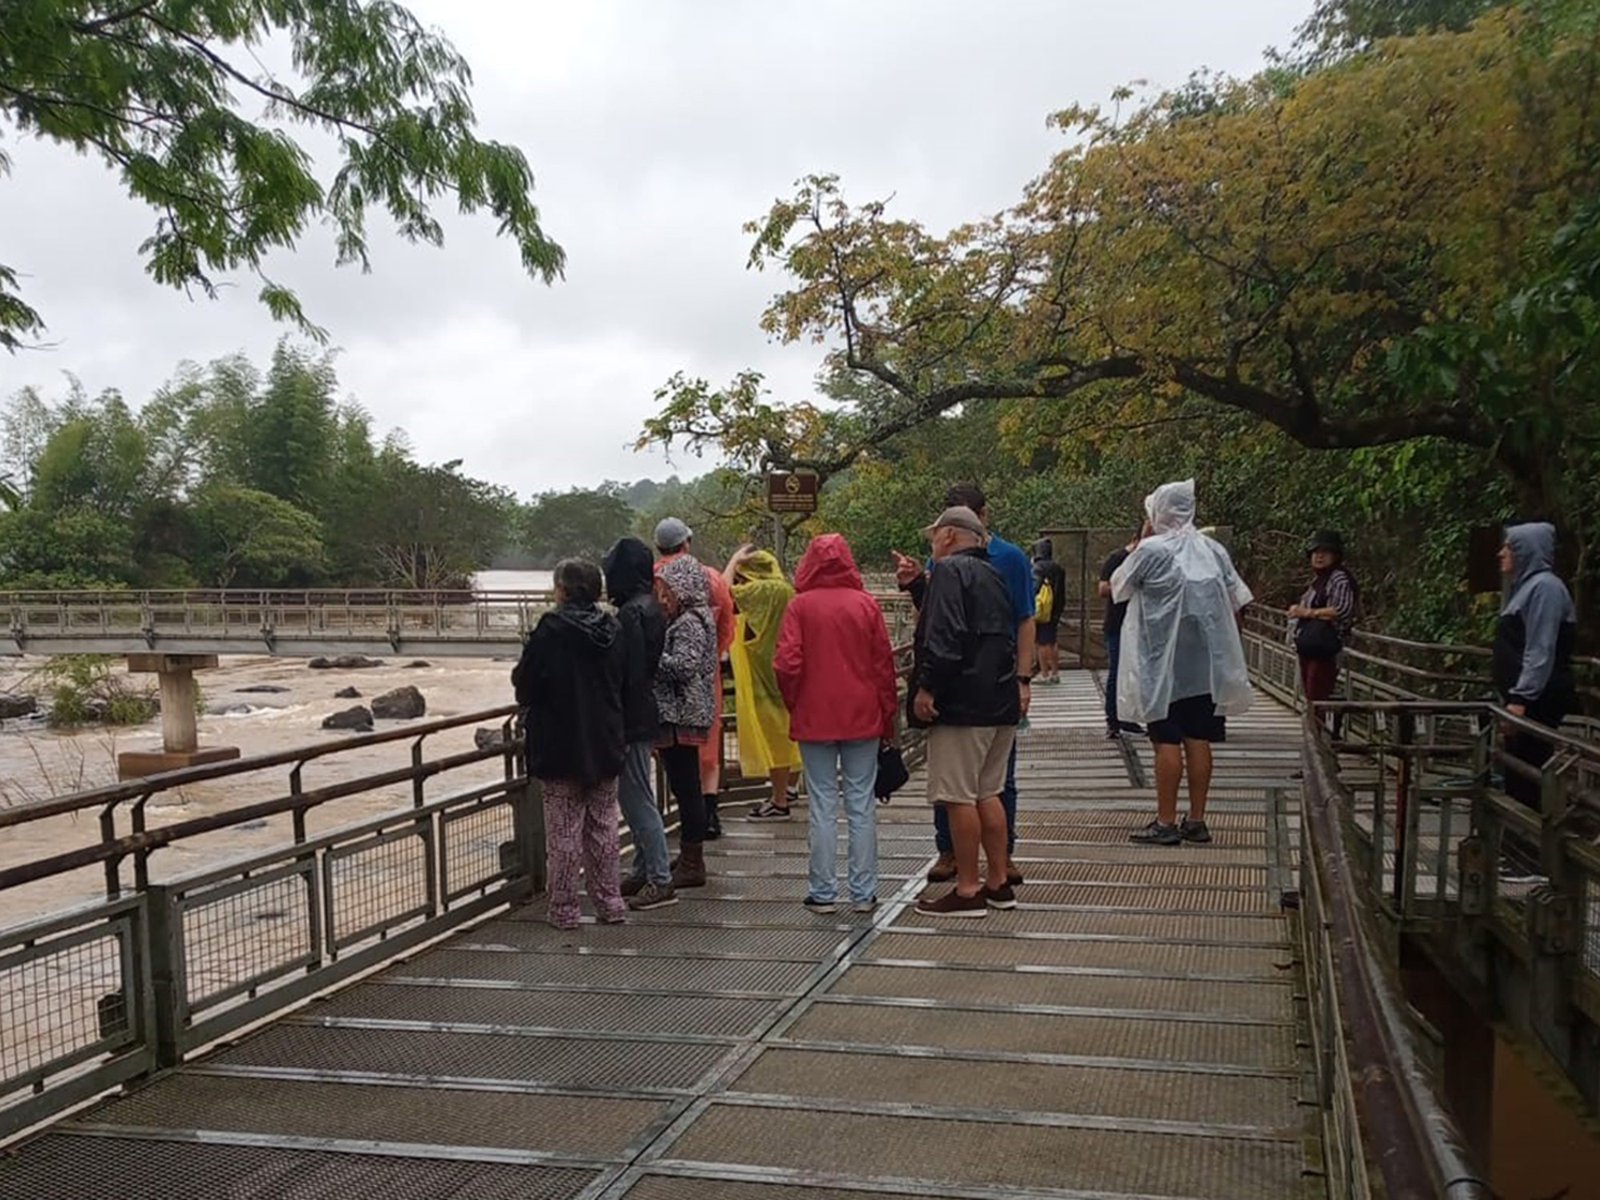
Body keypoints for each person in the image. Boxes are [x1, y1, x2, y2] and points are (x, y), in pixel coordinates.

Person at [894, 482, 1032, 887]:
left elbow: (946, 635)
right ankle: (998, 879)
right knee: (989, 792)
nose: (933, 543)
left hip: (963, 706)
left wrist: (928, 687)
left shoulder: (951, 570)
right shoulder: (994, 571)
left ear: (949, 535)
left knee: (958, 797)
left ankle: (968, 886)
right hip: (998, 700)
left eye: (935, 535)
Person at [1112, 480, 1254, 847]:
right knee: (1199, 737)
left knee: (1166, 741)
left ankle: (1165, 821)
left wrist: (1142, 541)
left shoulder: (1152, 551)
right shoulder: (1212, 549)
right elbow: (1238, 596)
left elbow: (1118, 586)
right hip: (1204, 666)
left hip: (1160, 664)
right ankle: (1197, 819)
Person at [775, 534, 900, 914]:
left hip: (815, 716)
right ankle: (864, 893)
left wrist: (797, 701)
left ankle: (823, 891)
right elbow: (883, 666)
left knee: (823, 804)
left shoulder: (799, 607)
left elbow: (786, 664)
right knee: (861, 804)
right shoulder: (866, 605)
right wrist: (888, 715)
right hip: (863, 716)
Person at [513, 558, 627, 930]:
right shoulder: (613, 628)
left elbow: (526, 684)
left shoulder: (549, 630)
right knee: (605, 828)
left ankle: (564, 909)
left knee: (563, 834)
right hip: (606, 740)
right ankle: (610, 903)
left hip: (559, 745)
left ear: (562, 590)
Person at [603, 537, 678, 911]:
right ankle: (645, 867)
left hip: (630, 717)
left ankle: (660, 879)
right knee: (640, 796)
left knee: (636, 800)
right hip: (644, 711)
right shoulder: (650, 606)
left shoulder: (632, 614)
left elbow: (625, 672)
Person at [655, 517, 737, 837]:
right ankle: (709, 813)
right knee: (708, 745)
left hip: (664, 683)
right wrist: (711, 655)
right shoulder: (710, 578)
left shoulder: (655, 577)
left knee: (672, 754)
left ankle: (685, 823)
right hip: (705, 677)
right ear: (687, 543)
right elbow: (726, 621)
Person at [1494, 522, 1577, 811]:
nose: (1501, 553)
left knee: (1530, 771)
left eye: (1509, 547)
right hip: (1525, 698)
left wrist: (1521, 699)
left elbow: (1540, 648)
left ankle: (1531, 844)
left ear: (1525, 551)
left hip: (1537, 700)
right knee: (1517, 771)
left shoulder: (1545, 588)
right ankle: (1517, 844)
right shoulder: (1526, 588)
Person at [653, 554, 721, 888]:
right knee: (686, 787)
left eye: (669, 589)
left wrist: (650, 655)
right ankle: (689, 854)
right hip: (686, 711)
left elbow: (684, 666)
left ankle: (693, 861)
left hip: (682, 712)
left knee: (687, 788)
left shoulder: (690, 622)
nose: (664, 596)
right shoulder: (695, 617)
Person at [724, 546, 804, 820]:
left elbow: (722, 594)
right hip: (792, 674)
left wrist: (734, 561)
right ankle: (790, 789)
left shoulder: (760, 591)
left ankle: (779, 801)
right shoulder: (787, 591)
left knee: (775, 739)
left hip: (765, 678)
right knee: (792, 734)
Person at [1288, 531, 1359, 715]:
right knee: (1312, 695)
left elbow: (1341, 609)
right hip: (1311, 645)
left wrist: (1308, 612)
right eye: (1315, 552)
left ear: (1335, 556)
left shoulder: (1339, 578)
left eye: (1325, 552)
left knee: (1317, 696)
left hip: (1326, 647)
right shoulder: (1320, 580)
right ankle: (1314, 733)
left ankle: (1316, 736)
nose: (1319, 556)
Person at [1098, 529, 1144, 739]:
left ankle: (1130, 717)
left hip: (1141, 627)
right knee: (1116, 671)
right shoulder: (1117, 558)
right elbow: (1102, 589)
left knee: (1137, 673)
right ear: (1135, 540)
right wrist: (1127, 584)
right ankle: (1113, 720)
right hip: (1117, 624)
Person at [1032, 539, 1067, 684]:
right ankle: (1055, 672)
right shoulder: (1058, 568)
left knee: (1042, 641)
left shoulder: (1037, 567)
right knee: (1052, 640)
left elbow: (1035, 587)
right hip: (1056, 608)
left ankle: (1044, 673)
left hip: (1043, 608)